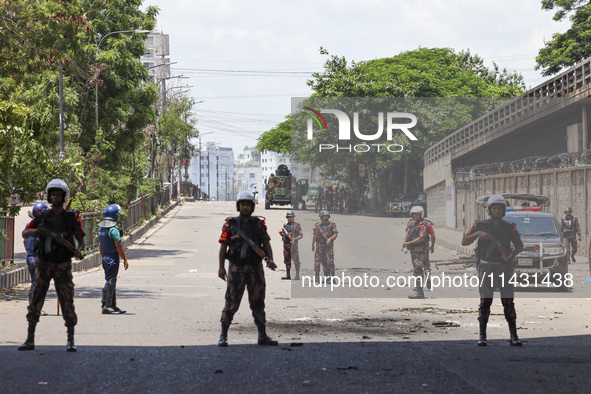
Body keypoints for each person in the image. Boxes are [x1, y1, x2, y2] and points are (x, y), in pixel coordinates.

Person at [19, 179, 85, 352]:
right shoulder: (42, 217)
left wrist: (78, 250)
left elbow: (81, 240)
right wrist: (33, 232)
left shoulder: (70, 218)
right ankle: (30, 339)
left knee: (67, 299)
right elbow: (25, 233)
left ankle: (71, 339)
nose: (55, 197)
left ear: (64, 197)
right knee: (36, 298)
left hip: (63, 264)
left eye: (58, 194)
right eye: (53, 194)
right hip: (44, 263)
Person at [218, 190, 278, 347]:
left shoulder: (259, 224)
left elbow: (266, 243)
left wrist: (270, 259)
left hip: (255, 269)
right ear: (239, 206)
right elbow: (223, 246)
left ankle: (262, 335)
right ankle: (223, 335)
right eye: (243, 204)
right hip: (236, 269)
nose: (245, 207)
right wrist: (221, 268)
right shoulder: (230, 224)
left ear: (252, 207)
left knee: (258, 303)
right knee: (231, 303)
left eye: (248, 204)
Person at [462, 194, 524, 347]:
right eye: (494, 208)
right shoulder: (479, 225)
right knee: (485, 302)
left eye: (499, 208)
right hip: (487, 267)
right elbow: (464, 241)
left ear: (503, 210)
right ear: (490, 210)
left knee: (508, 301)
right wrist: (477, 234)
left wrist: (510, 255)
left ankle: (514, 335)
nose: (497, 210)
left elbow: (519, 245)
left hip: (504, 268)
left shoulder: (510, 226)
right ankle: (482, 335)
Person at [98, 204, 129, 314]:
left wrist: (103, 258)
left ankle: (113, 305)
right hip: (112, 257)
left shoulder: (101, 228)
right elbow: (118, 245)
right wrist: (124, 259)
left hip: (105, 256)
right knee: (111, 282)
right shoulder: (113, 230)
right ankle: (106, 305)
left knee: (112, 281)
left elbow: (100, 245)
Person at [23, 202, 49, 315]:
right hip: (36, 258)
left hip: (30, 256)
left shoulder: (29, 225)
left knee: (36, 282)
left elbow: (25, 242)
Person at [403, 206, 433, 299]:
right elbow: (432, 235)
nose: (415, 215)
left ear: (421, 214)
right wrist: (432, 246)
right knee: (426, 264)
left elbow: (421, 237)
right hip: (425, 248)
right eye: (414, 214)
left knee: (417, 270)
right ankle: (428, 273)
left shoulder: (422, 225)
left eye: (417, 214)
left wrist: (408, 243)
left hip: (417, 249)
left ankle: (419, 292)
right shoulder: (424, 223)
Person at [312, 210, 338, 282]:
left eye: (326, 216)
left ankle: (332, 278)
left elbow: (335, 234)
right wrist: (313, 244)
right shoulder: (318, 225)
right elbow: (315, 236)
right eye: (323, 216)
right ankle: (325, 278)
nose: (325, 217)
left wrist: (330, 239)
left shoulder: (332, 225)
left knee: (330, 262)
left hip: (328, 246)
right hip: (320, 245)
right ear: (321, 217)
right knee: (322, 261)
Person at [279, 211, 303, 280]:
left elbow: (301, 235)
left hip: (293, 246)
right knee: (287, 260)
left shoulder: (297, 225)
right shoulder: (285, 226)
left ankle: (297, 275)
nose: (290, 218)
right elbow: (283, 235)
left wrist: (294, 239)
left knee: (296, 260)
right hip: (286, 245)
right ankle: (288, 275)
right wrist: (281, 234)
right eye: (288, 217)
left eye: (291, 217)